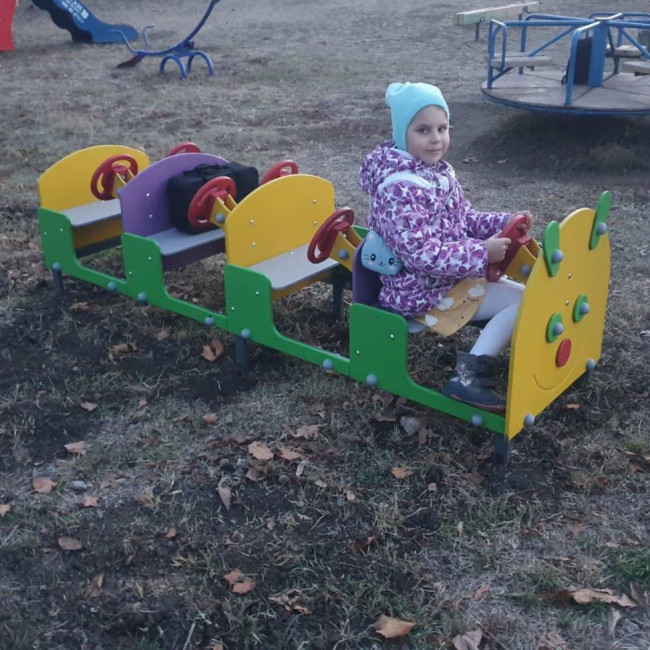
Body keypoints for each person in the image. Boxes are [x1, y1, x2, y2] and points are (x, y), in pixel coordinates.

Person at [358, 81, 534, 413]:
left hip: (446, 278)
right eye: (423, 130)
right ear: (402, 134)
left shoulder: (437, 173)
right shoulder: (398, 190)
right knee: (524, 303)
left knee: (526, 297)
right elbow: (422, 255)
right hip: (420, 293)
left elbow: (464, 218)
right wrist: (482, 253)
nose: (436, 138)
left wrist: (504, 222)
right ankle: (466, 378)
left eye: (442, 128)